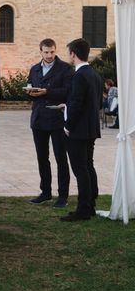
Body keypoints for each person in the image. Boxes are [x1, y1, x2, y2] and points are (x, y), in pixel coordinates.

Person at [25, 38, 74, 208]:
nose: (49, 55)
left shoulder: (66, 69)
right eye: (46, 52)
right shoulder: (35, 69)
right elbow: (28, 89)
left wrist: (47, 92)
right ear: (41, 52)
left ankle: (63, 196)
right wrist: (30, 92)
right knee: (42, 158)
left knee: (61, 158)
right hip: (38, 119)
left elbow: (68, 92)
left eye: (52, 52)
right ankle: (45, 192)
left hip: (57, 120)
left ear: (55, 50)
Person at [61, 38, 103, 222]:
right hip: (91, 127)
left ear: (73, 54)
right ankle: (91, 203)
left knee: (80, 169)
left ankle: (84, 209)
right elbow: (97, 102)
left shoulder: (79, 75)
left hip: (78, 130)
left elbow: (77, 103)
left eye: (69, 53)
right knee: (88, 165)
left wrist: (68, 125)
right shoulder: (94, 74)